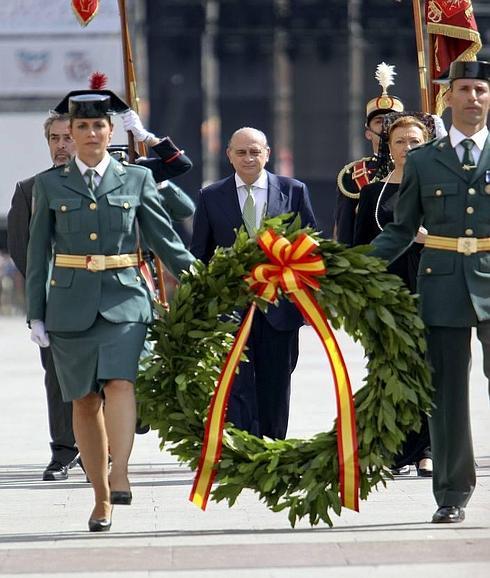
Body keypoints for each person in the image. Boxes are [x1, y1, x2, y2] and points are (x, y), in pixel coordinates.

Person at [25, 90, 195, 532]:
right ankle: (101, 496)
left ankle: (119, 472)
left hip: (124, 299)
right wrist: (35, 313)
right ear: (70, 134)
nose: (90, 133)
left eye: (99, 125)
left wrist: (203, 278)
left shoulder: (136, 178)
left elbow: (164, 239)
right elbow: (38, 252)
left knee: (121, 383)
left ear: (111, 130)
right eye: (81, 127)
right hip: (69, 304)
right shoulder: (48, 185)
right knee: (83, 399)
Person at [371, 60, 490, 524]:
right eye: (464, 89)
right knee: (446, 394)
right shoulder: (423, 159)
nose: (473, 98)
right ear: (448, 97)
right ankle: (452, 492)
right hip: (441, 283)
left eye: (480, 89)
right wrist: (352, 268)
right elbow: (399, 230)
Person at [191, 127, 317, 440]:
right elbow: (200, 254)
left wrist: (310, 301)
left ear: (267, 154)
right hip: (231, 307)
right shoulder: (210, 196)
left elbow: (312, 243)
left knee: (276, 380)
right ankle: (242, 445)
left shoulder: (293, 190)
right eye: (242, 152)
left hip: (280, 306)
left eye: (255, 151)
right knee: (237, 381)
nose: (249, 158)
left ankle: (272, 446)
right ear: (229, 156)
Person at [354, 112, 435, 477]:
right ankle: (396, 449)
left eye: (415, 141)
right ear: (389, 147)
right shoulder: (374, 192)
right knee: (391, 368)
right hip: (387, 293)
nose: (407, 148)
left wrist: (427, 238)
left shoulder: (439, 186)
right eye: (400, 142)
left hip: (431, 286)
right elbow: (359, 247)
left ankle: (427, 449)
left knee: (429, 368)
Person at [7, 113, 79, 481]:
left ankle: (104, 448)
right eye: (55, 138)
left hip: (102, 299)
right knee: (57, 378)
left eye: (68, 136)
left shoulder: (108, 183)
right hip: (54, 303)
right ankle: (64, 451)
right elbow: (23, 251)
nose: (61, 145)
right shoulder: (29, 189)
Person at [334, 62, 404, 245]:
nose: (387, 126)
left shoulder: (420, 169)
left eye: (393, 120)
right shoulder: (353, 175)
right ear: (368, 132)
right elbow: (345, 230)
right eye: (380, 121)